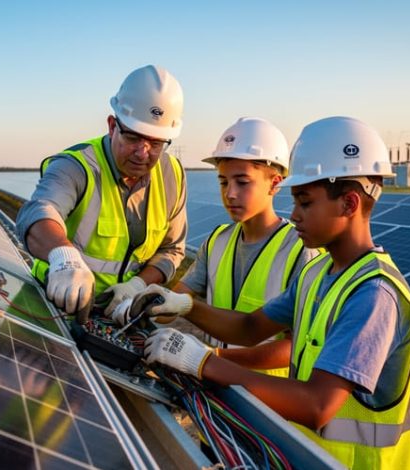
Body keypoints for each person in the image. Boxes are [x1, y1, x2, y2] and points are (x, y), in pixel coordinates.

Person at [126, 116, 410, 469]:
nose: (294, 214)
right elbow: (250, 329)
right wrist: (183, 304)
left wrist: (204, 362)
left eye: (305, 202)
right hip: (305, 454)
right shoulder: (318, 274)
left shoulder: (373, 294)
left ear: (349, 204)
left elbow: (317, 405)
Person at [117, 117, 319, 377]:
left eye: (242, 182)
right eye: (223, 182)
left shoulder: (301, 250)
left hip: (268, 403)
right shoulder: (217, 242)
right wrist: (139, 306)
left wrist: (212, 357)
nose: (230, 193)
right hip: (218, 389)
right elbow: (176, 302)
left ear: (275, 182)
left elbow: (295, 347)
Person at [15, 65, 187, 319]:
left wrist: (136, 286)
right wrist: (65, 258)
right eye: (132, 137)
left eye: (156, 143)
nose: (143, 153)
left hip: (118, 315)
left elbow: (172, 249)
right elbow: (39, 212)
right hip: (51, 307)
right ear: (111, 125)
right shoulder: (77, 165)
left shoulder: (172, 174)